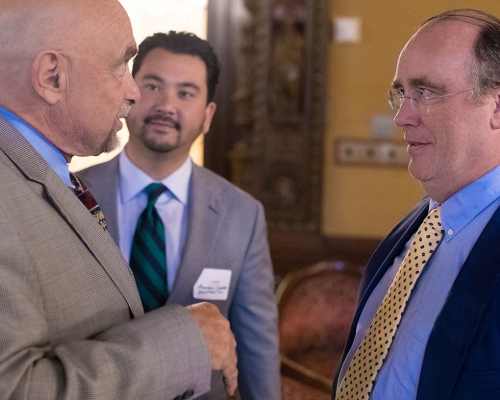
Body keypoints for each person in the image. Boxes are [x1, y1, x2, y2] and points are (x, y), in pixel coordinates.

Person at [0, 0, 238, 398]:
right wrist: (185, 340)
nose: (134, 92)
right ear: (52, 76)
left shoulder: (43, 176)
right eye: (121, 65)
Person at [78, 31, 281, 400]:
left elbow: (256, 345)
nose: (166, 104)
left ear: (208, 115)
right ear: (128, 94)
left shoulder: (242, 214)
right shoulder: (70, 193)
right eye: (153, 86)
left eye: (185, 93)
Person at [333, 9, 500, 400]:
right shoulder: (418, 225)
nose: (401, 117)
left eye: (426, 93)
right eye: (401, 94)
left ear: (496, 107)